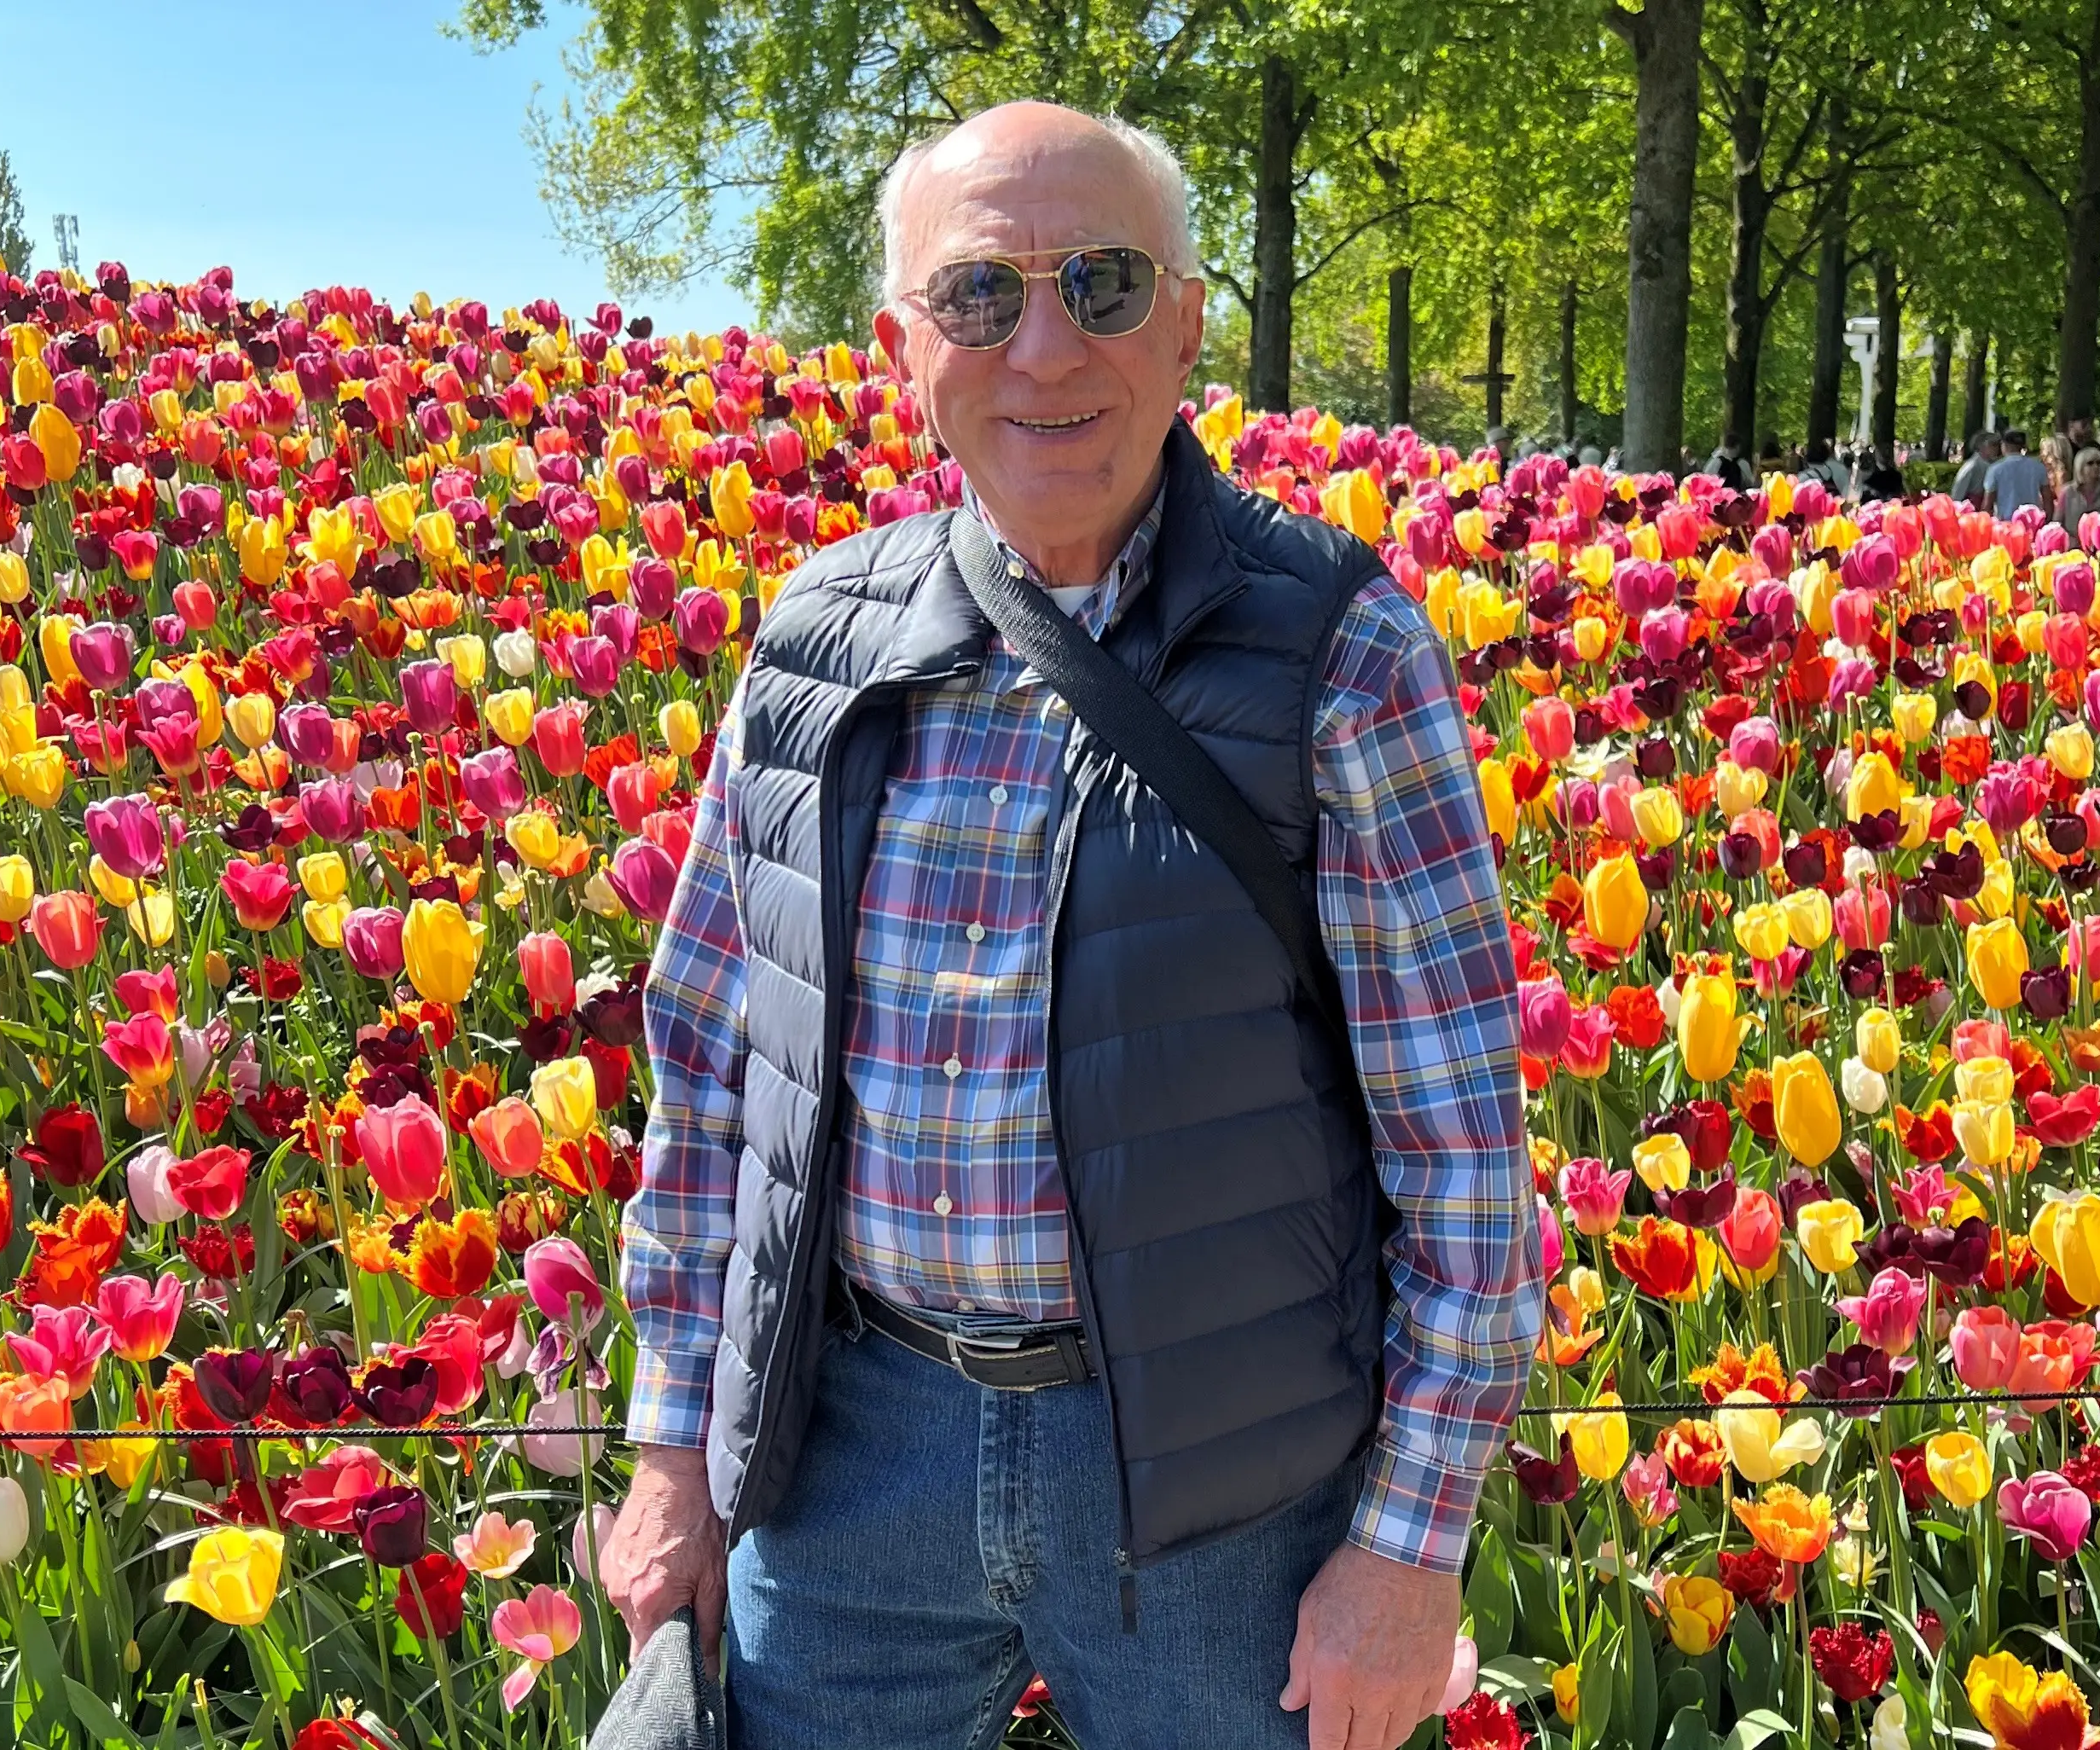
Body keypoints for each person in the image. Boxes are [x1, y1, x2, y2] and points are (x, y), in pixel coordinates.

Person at [601, 101, 1534, 1750]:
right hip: (851, 1461)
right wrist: (676, 1444)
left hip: (1217, 1486)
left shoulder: (1338, 650)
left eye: (1101, 284)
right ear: (902, 347)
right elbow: (707, 1076)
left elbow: (1460, 1152)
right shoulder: (812, 640)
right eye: (977, 296)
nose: (1043, 346)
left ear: (1184, 323)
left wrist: (1407, 1548)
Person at [2058, 445, 2100, 540]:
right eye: (2090, 463)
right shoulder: (2067, 492)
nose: (2096, 466)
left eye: (2099, 463)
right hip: (2074, 547)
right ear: (2080, 466)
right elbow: (2057, 524)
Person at [1988, 429, 2049, 519]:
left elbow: (1988, 503)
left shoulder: (1995, 469)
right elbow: (2047, 498)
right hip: (2031, 522)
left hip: (2005, 524)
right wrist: (2047, 520)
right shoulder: (2038, 467)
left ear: (2004, 445)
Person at [1950, 431, 2000, 508]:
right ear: (1982, 446)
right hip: (1972, 509)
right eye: (1993, 445)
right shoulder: (1972, 465)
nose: (1997, 448)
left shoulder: (1992, 464)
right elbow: (1958, 494)